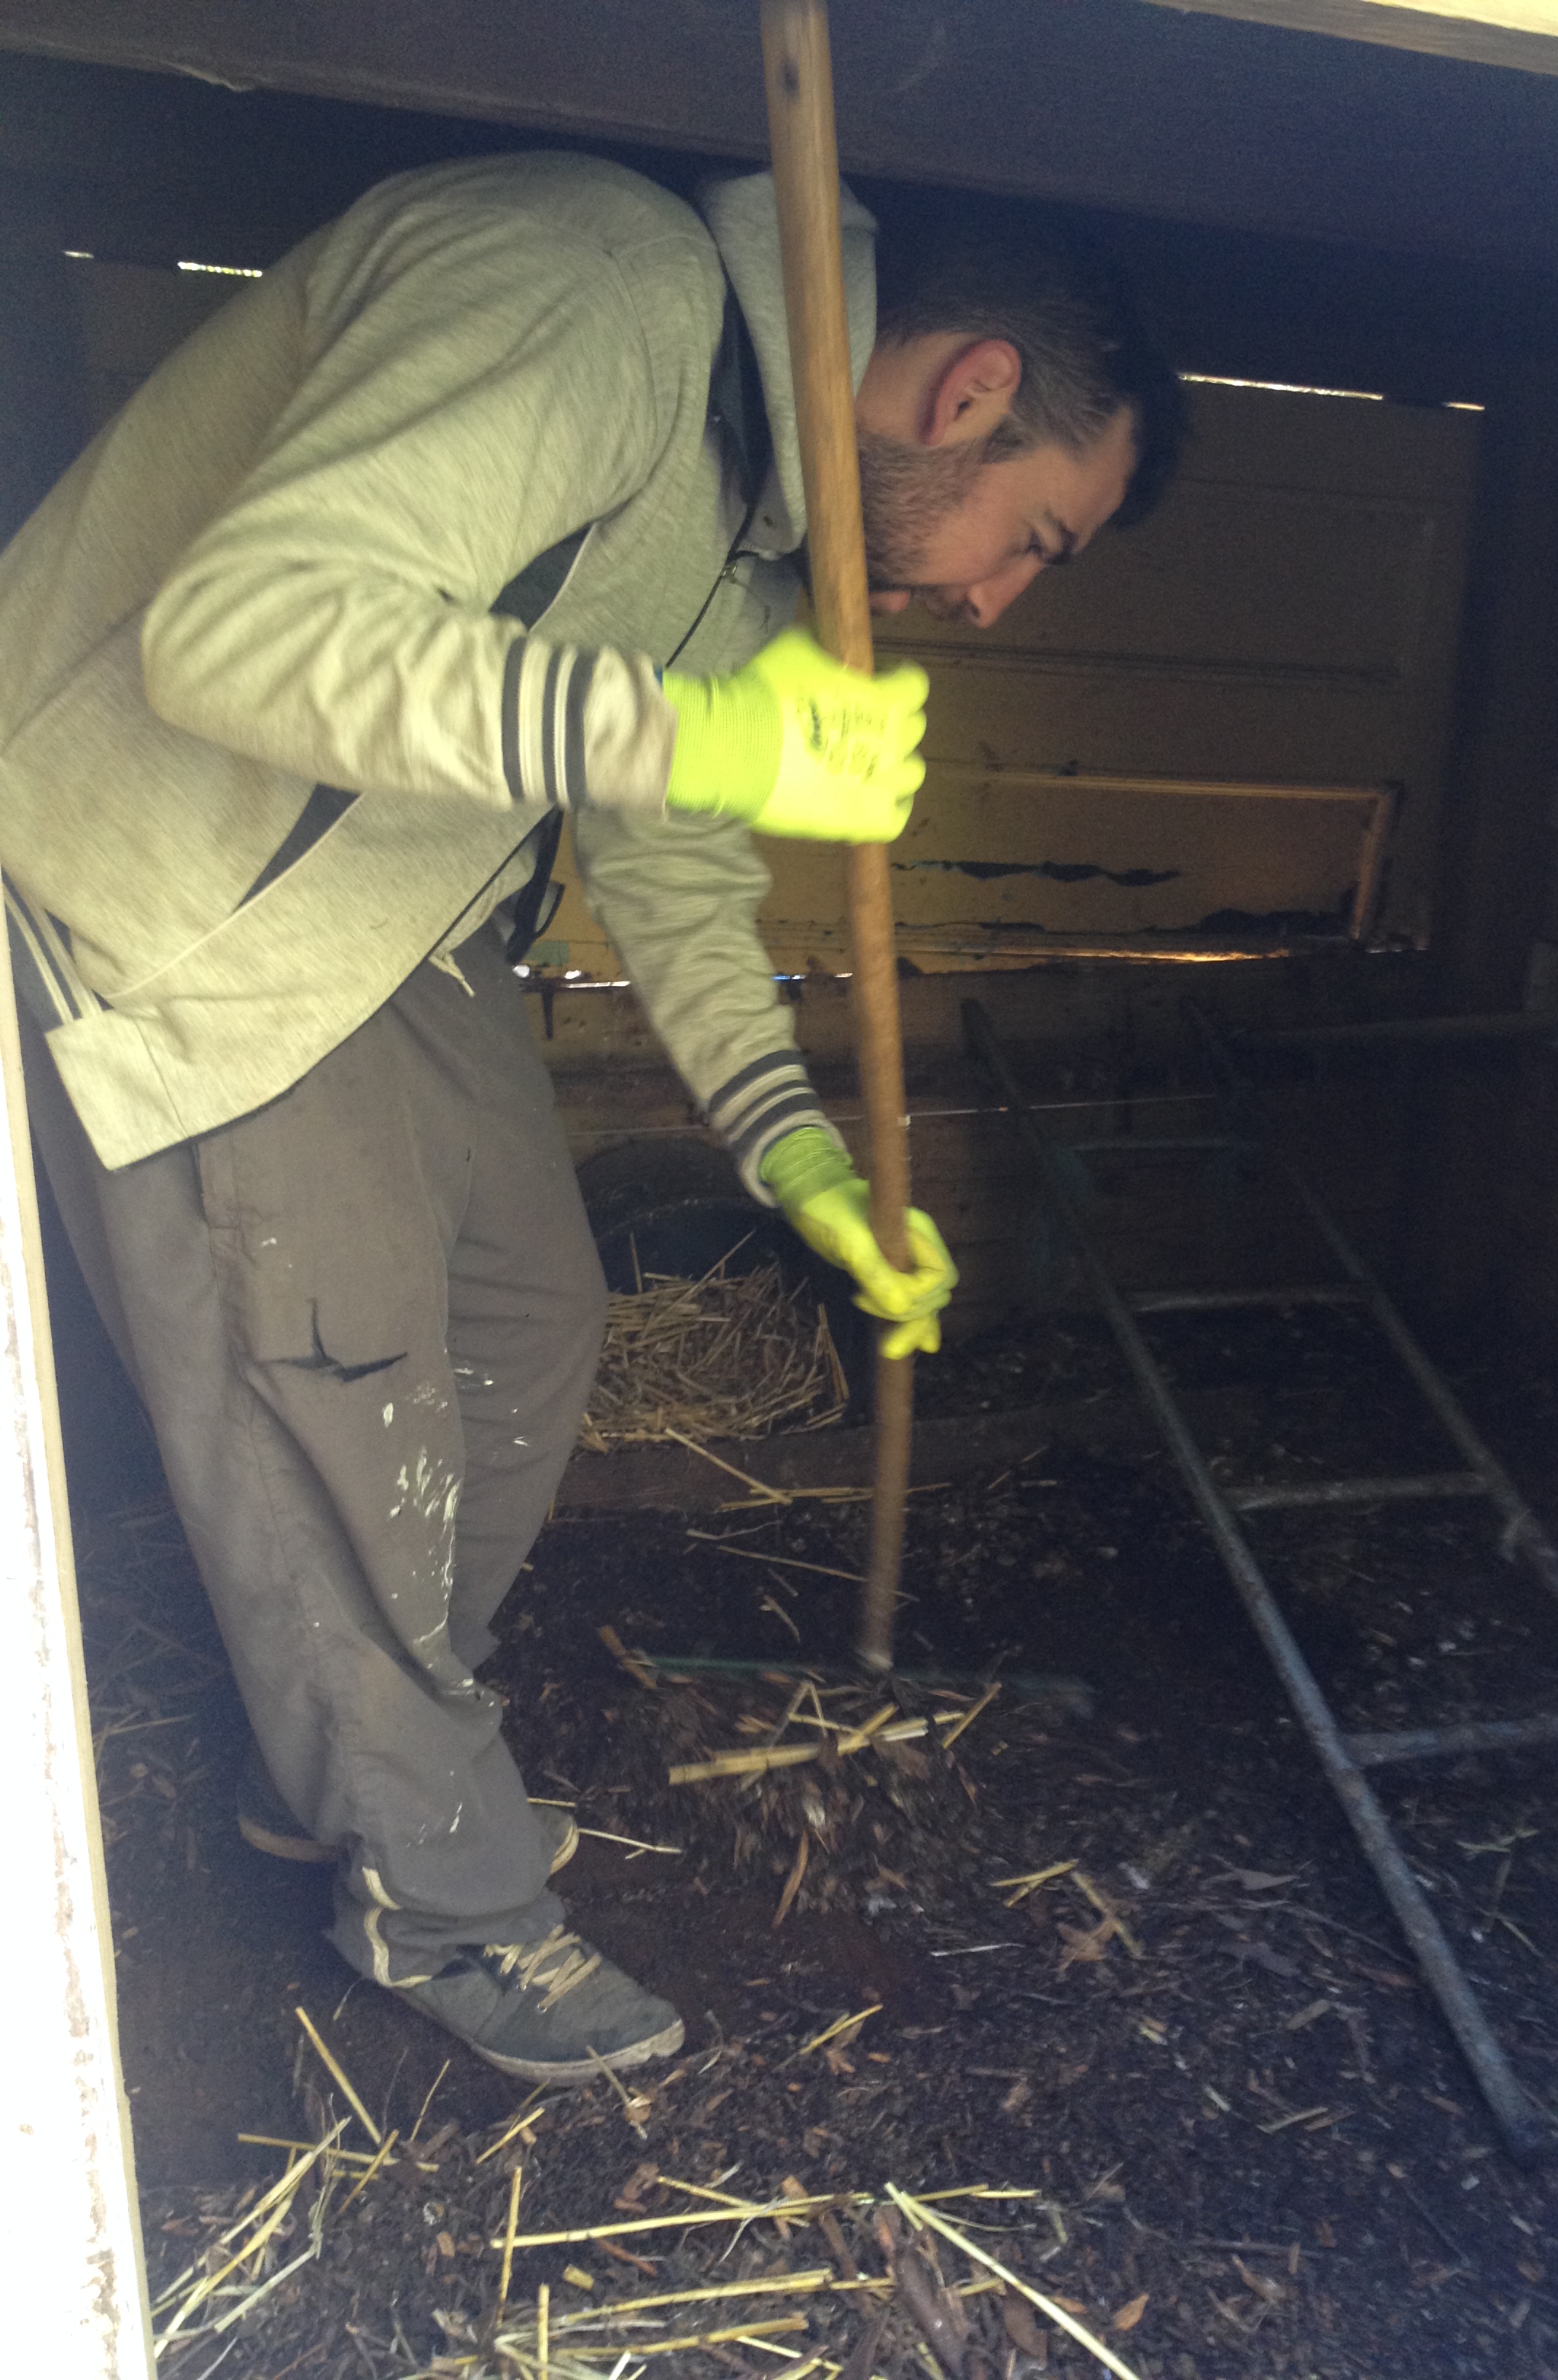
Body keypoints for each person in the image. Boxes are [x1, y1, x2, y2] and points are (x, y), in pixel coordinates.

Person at [0, 153, 1182, 2084]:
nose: (988, 597)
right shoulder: (593, 292)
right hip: (177, 900)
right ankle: (443, 1898)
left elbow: (677, 863)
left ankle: (354, 1767)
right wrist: (696, 728)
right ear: (971, 393)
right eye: (1034, 538)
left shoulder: (758, 525)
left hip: (391, 921)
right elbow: (239, 627)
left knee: (529, 1329)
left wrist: (803, 1162)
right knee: (332, 1404)